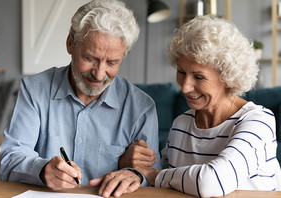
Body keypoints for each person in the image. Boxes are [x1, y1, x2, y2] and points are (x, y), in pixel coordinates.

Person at [0, 0, 161, 196]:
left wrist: (134, 173)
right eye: (90, 58)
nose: (99, 74)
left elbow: (152, 176)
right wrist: (41, 170)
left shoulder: (141, 107)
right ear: (70, 44)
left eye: (111, 62)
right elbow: (8, 160)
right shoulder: (33, 90)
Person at [115, 15, 281, 197]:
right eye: (181, 72)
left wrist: (154, 175)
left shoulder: (258, 122)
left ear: (227, 77)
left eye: (199, 77)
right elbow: (164, 181)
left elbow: (211, 182)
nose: (185, 87)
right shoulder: (181, 124)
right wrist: (133, 167)